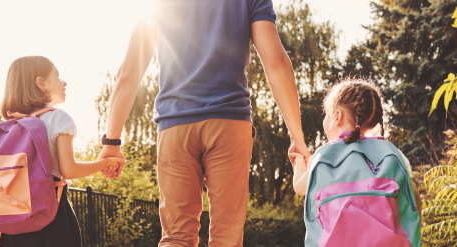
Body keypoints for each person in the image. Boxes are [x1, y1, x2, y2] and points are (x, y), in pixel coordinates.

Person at [98, 0, 311, 246]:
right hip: (229, 122)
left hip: (175, 124)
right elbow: (276, 63)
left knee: (176, 237)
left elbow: (129, 72)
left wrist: (112, 142)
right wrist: (298, 138)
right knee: (227, 238)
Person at [0, 56, 124, 247]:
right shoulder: (57, 119)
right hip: (51, 216)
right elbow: (68, 170)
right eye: (57, 75)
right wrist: (107, 162)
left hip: (12, 222)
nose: (64, 82)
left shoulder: (8, 126)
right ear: (40, 83)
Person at [291, 79, 421, 246]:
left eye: (326, 113)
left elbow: (300, 188)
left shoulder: (325, 156)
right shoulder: (391, 153)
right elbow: (412, 197)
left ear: (337, 115)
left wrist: (299, 162)